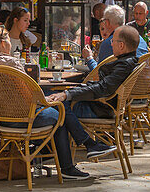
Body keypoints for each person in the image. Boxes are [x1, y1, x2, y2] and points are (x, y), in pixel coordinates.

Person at [0, 27, 117, 180]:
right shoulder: (12, 63)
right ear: (4, 44)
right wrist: (45, 101)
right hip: (25, 119)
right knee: (61, 111)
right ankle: (72, 161)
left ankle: (81, 149)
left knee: (59, 106)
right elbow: (28, 94)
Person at [45, 26, 142, 179]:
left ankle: (77, 153)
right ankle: (61, 158)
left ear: (121, 45)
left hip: (101, 109)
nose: (110, 44)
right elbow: (101, 86)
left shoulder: (124, 64)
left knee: (59, 107)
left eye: (113, 41)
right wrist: (70, 91)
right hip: (101, 106)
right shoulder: (127, 61)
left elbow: (103, 88)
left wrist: (67, 94)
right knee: (56, 102)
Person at [82, 4, 148, 67]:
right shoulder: (139, 38)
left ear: (107, 23)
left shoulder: (110, 43)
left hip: (124, 78)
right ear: (124, 21)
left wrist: (89, 58)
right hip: (144, 77)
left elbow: (97, 74)